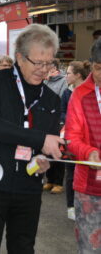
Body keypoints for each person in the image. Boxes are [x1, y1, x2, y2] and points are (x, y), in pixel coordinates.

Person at [0, 23, 65, 254]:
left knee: (23, 247)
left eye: (49, 63)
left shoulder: (51, 99)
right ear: (20, 57)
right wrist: (41, 139)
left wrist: (43, 160)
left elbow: (47, 142)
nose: (44, 69)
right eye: (38, 62)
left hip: (28, 188)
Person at [65, 38, 101, 253]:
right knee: (90, 247)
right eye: (98, 68)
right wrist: (90, 152)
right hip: (89, 187)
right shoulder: (80, 94)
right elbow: (72, 137)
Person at [61, 60, 91, 221]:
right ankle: (71, 206)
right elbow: (62, 112)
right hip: (71, 139)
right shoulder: (67, 92)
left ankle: (87, 205)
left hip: (89, 140)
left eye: (69, 73)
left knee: (90, 172)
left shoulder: (92, 92)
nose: (66, 76)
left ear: (78, 75)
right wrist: (72, 120)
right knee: (71, 173)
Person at [43, 58, 68, 194]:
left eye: (48, 66)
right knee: (47, 151)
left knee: (58, 151)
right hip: (45, 119)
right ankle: (50, 180)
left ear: (55, 68)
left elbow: (60, 100)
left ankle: (58, 182)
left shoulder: (63, 81)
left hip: (57, 121)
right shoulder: (45, 80)